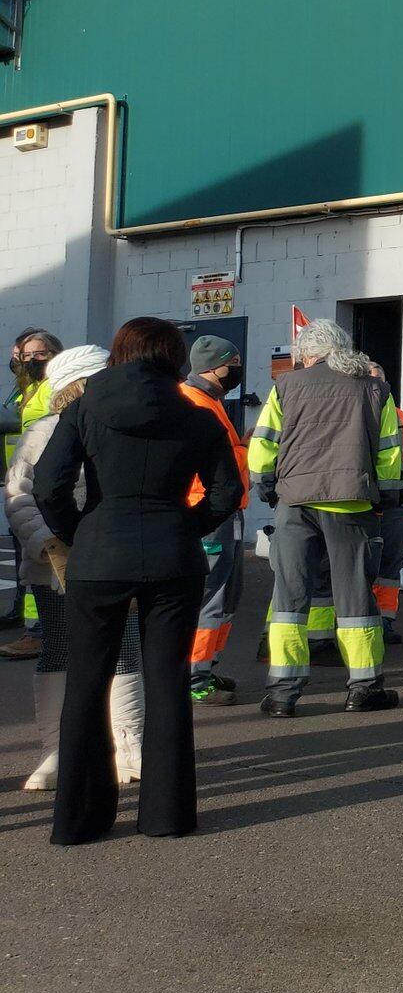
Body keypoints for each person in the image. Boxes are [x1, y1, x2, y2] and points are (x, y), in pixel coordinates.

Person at [35, 317, 241, 843]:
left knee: (86, 681)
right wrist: (184, 526)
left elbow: (49, 484)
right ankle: (166, 815)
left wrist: (80, 532)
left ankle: (78, 821)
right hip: (173, 553)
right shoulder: (196, 413)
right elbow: (226, 491)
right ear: (174, 356)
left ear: (120, 353)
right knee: (167, 681)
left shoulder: (85, 407)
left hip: (100, 552)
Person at [7, 346, 147, 791]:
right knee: (60, 647)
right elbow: (19, 495)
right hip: (56, 560)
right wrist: (49, 543)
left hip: (113, 556)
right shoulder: (43, 432)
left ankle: (129, 745)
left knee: (123, 648)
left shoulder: (125, 428)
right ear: (80, 383)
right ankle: (56, 750)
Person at [248, 319, 403, 716]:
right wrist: (385, 496)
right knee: (355, 599)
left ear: (306, 354)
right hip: (352, 505)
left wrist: (269, 488)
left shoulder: (285, 386)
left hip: (295, 504)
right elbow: (389, 453)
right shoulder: (374, 388)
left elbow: (263, 444)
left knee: (289, 599)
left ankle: (283, 693)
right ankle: (363, 687)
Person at [180, 336, 248, 704]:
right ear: (215, 365)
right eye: (233, 362)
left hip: (226, 509)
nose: (237, 368)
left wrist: (243, 446)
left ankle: (207, 666)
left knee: (227, 593)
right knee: (211, 596)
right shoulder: (194, 401)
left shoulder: (209, 400)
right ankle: (194, 677)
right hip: (206, 509)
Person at [2, 327, 62, 656]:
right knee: (29, 558)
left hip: (39, 482)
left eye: (40, 353)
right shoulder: (26, 388)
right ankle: (34, 626)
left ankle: (40, 631)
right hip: (20, 483)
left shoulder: (53, 385)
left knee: (40, 557)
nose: (31, 360)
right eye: (25, 355)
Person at [365, 365, 403, 648]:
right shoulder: (355, 412)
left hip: (395, 502)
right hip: (363, 501)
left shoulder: (400, 418)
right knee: (362, 563)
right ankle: (361, 619)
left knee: (390, 563)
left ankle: (385, 620)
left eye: (379, 379)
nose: (376, 384)